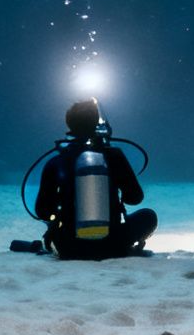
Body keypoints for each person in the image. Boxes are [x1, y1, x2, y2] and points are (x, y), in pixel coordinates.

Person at [33, 98, 156, 259]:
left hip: (69, 247)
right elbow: (135, 198)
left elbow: (42, 211)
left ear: (69, 125)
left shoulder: (57, 161)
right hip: (113, 244)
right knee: (148, 216)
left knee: (55, 229)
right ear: (96, 123)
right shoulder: (114, 156)